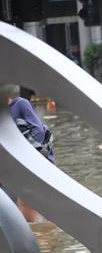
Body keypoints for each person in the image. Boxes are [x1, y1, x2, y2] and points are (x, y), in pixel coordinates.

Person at [1, 87, 55, 222]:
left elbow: (38, 132)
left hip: (32, 160)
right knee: (24, 199)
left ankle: (42, 234)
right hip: (13, 166)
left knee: (29, 198)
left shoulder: (20, 104)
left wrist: (20, 151)